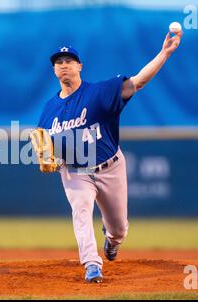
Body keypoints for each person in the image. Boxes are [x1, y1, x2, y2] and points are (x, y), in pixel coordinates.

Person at [34, 30, 182, 283]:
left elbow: (138, 82)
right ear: (54, 71)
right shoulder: (49, 109)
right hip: (75, 172)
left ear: (80, 66)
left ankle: (112, 241)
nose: (64, 65)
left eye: (69, 60)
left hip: (110, 167)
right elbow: (46, 145)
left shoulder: (100, 93)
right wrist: (51, 157)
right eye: (58, 62)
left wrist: (164, 54)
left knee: (119, 228)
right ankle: (92, 264)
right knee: (80, 210)